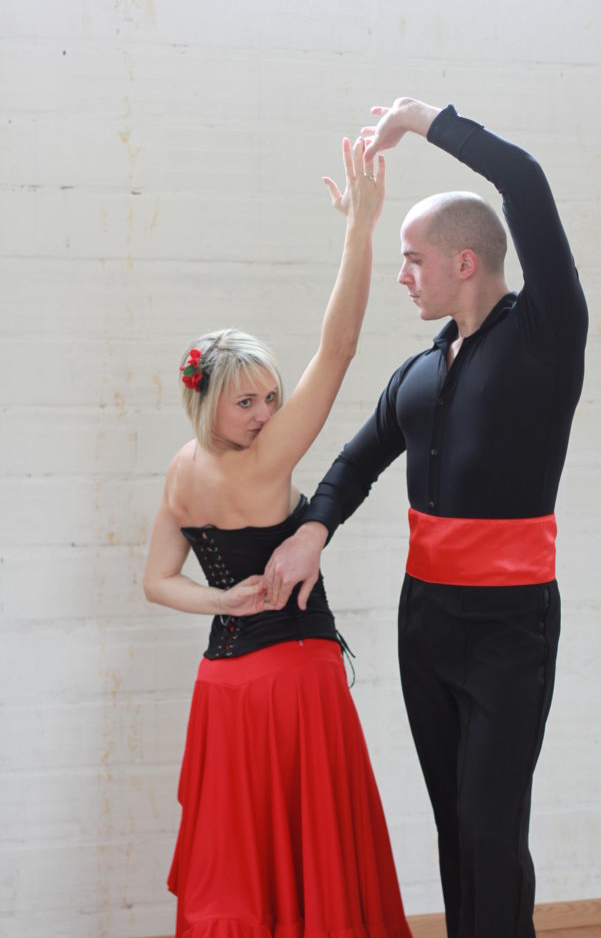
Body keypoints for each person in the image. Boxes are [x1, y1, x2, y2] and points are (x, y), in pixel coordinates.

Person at [263, 98, 589, 938]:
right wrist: (311, 530)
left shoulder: (546, 338)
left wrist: (422, 120)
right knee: (453, 828)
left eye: (412, 259)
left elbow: (525, 180)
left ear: (466, 262)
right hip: (427, 625)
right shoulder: (417, 370)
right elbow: (354, 463)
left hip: (510, 630)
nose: (402, 274)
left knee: (489, 832)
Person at [143, 136, 412, 938]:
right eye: (247, 402)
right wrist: (359, 229)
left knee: (241, 867)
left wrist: (222, 596)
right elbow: (340, 347)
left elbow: (158, 580)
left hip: (223, 693)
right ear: (212, 406)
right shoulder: (268, 461)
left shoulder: (181, 471)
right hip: (293, 685)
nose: (264, 414)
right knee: (315, 857)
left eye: (270, 397)